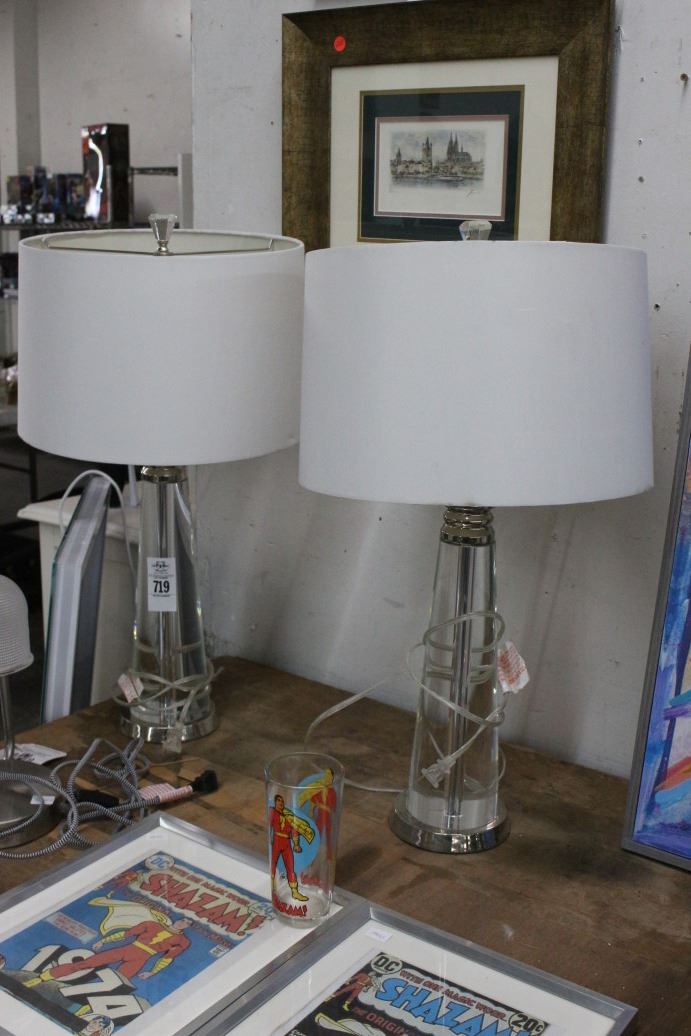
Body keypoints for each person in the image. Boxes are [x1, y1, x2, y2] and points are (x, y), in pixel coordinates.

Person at [25, 917, 192, 985]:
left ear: (187, 927)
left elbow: (167, 958)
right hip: (127, 949)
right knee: (85, 964)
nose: (182, 923)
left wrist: (152, 972)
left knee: (116, 984)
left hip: (141, 959)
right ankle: (41, 978)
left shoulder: (182, 941)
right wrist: (103, 941)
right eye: (183, 920)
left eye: (187, 924)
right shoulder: (152, 924)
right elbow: (126, 934)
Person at [269, 793, 313, 902]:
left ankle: (295, 892)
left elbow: (294, 831)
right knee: (273, 865)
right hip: (277, 841)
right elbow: (269, 825)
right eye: (279, 800)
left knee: (290, 868)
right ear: (275, 802)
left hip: (286, 843)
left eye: (282, 801)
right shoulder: (272, 812)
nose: (281, 803)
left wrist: (297, 845)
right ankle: (274, 888)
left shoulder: (288, 816)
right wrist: (270, 838)